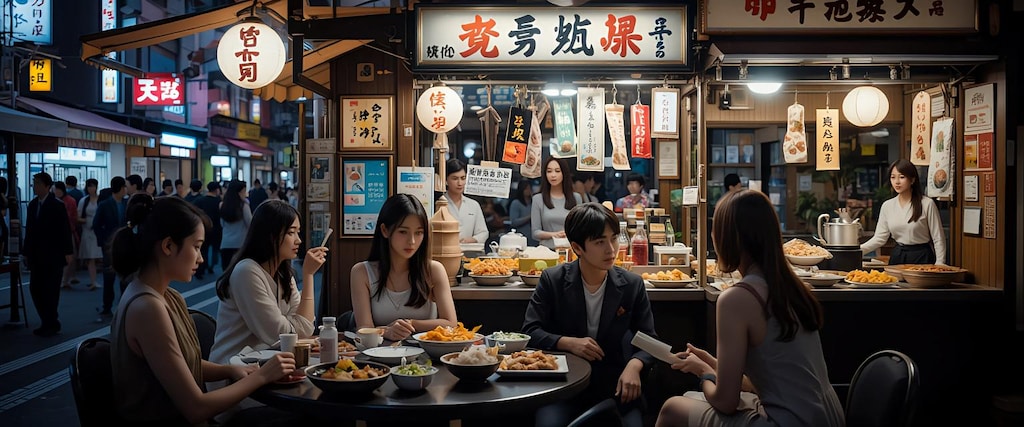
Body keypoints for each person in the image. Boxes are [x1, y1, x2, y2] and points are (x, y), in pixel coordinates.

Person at [656, 190, 844, 427]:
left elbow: (726, 401)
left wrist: (703, 372)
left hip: (790, 421)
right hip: (828, 417)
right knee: (690, 401)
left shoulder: (736, 299)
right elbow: (767, 380)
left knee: (672, 409)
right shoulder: (793, 287)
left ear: (729, 238)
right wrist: (713, 364)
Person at [109, 194, 297, 425]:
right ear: (168, 246)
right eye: (196, 247)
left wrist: (228, 371)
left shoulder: (167, 296)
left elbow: (184, 365)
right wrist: (262, 375)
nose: (200, 258)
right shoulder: (147, 308)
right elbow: (196, 408)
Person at [523, 203, 657, 427]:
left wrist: (635, 365)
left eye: (613, 238)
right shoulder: (553, 280)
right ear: (577, 248)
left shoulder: (631, 284)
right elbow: (529, 332)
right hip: (563, 385)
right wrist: (568, 343)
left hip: (616, 385)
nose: (611, 249)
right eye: (599, 242)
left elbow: (650, 340)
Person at [211, 200, 328, 364]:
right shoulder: (246, 271)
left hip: (269, 362)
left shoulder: (282, 272)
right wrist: (308, 274)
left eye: (298, 232)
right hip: (234, 367)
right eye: (290, 232)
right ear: (270, 235)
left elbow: (305, 329)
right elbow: (282, 335)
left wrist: (308, 276)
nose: (298, 240)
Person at [350, 194, 457, 341]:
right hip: (378, 355)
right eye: (403, 232)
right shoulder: (362, 272)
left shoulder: (433, 270)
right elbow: (363, 328)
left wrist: (411, 324)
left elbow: (451, 323)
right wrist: (387, 332)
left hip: (426, 355)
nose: (412, 241)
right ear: (385, 230)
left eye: (419, 233)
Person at [860, 159, 946, 265]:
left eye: (902, 177)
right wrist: (858, 251)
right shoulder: (888, 206)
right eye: (893, 177)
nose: (897, 182)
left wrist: (940, 263)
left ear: (912, 179)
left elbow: (938, 237)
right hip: (898, 256)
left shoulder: (927, 204)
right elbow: (880, 238)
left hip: (922, 256)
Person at [24, 172, 75, 336]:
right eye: (34, 183)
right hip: (36, 255)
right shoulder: (32, 205)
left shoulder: (57, 205)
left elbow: (65, 230)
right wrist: (26, 252)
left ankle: (49, 322)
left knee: (51, 290)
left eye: (38, 183)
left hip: (54, 254)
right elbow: (29, 230)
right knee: (35, 289)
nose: (35, 186)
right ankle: (50, 320)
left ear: (47, 186)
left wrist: (68, 251)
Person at [93, 176, 129, 320]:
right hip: (109, 245)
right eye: (124, 187)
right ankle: (107, 306)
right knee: (109, 277)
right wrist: (102, 241)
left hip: (124, 244)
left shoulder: (127, 203)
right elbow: (96, 224)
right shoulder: (104, 204)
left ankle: (124, 304)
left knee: (125, 276)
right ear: (120, 188)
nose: (126, 189)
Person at [531, 157, 582, 249]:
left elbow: (580, 228)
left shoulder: (576, 198)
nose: (553, 175)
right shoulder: (538, 199)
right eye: (549, 171)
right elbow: (535, 232)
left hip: (570, 251)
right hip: (547, 251)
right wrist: (555, 235)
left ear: (564, 173)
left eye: (557, 171)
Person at [443, 158, 488, 244]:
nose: (460, 183)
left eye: (463, 178)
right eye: (455, 179)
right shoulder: (439, 204)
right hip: (445, 252)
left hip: (470, 253)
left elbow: (483, 232)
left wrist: (473, 239)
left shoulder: (473, 205)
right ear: (446, 180)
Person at [77, 179, 103, 290]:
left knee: (99, 255)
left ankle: (95, 280)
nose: (91, 189)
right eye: (89, 187)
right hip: (87, 230)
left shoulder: (101, 200)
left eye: (93, 186)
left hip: (99, 231)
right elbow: (78, 216)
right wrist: (86, 221)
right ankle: (93, 281)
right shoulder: (84, 201)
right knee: (90, 256)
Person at [220, 180, 252, 270]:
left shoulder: (223, 205)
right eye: (244, 191)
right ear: (239, 192)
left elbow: (222, 224)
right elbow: (250, 223)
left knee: (226, 272)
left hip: (225, 243)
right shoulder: (244, 206)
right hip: (240, 244)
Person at [194, 181, 223, 277]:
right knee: (215, 250)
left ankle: (201, 269)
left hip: (203, 228)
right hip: (216, 229)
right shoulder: (219, 202)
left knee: (204, 249)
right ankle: (211, 266)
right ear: (217, 190)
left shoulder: (200, 200)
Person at [55, 182, 80, 289]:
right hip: (59, 232)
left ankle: (65, 279)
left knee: (69, 256)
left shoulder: (70, 201)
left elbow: (74, 217)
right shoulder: (54, 201)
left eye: (58, 189)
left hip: (68, 231)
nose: (56, 192)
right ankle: (66, 278)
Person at [508, 179, 538, 247]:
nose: (528, 191)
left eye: (530, 189)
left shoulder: (534, 203)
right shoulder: (516, 203)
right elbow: (514, 222)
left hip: (534, 239)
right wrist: (529, 217)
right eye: (526, 189)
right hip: (521, 237)